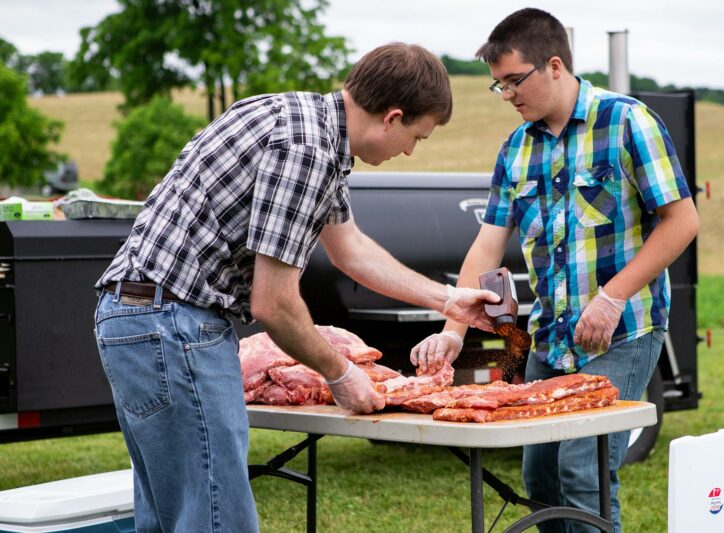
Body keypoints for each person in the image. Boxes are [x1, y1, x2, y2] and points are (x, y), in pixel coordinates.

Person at [93, 42, 499, 533]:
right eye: (417, 137)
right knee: (217, 521)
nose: (411, 151)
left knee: (173, 519)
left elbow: (351, 251)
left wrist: (448, 299)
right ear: (392, 118)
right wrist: (340, 372)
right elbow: (274, 303)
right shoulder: (306, 151)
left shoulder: (303, 121)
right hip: (172, 325)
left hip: (140, 319)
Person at [410, 9, 699, 532]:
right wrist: (455, 329)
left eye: (514, 81)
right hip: (549, 337)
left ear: (556, 66)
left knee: (581, 467)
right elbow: (485, 249)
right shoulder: (516, 150)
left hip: (625, 331)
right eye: (498, 87)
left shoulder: (627, 121)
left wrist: (612, 297)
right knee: (540, 473)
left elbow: (681, 222)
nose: (509, 96)